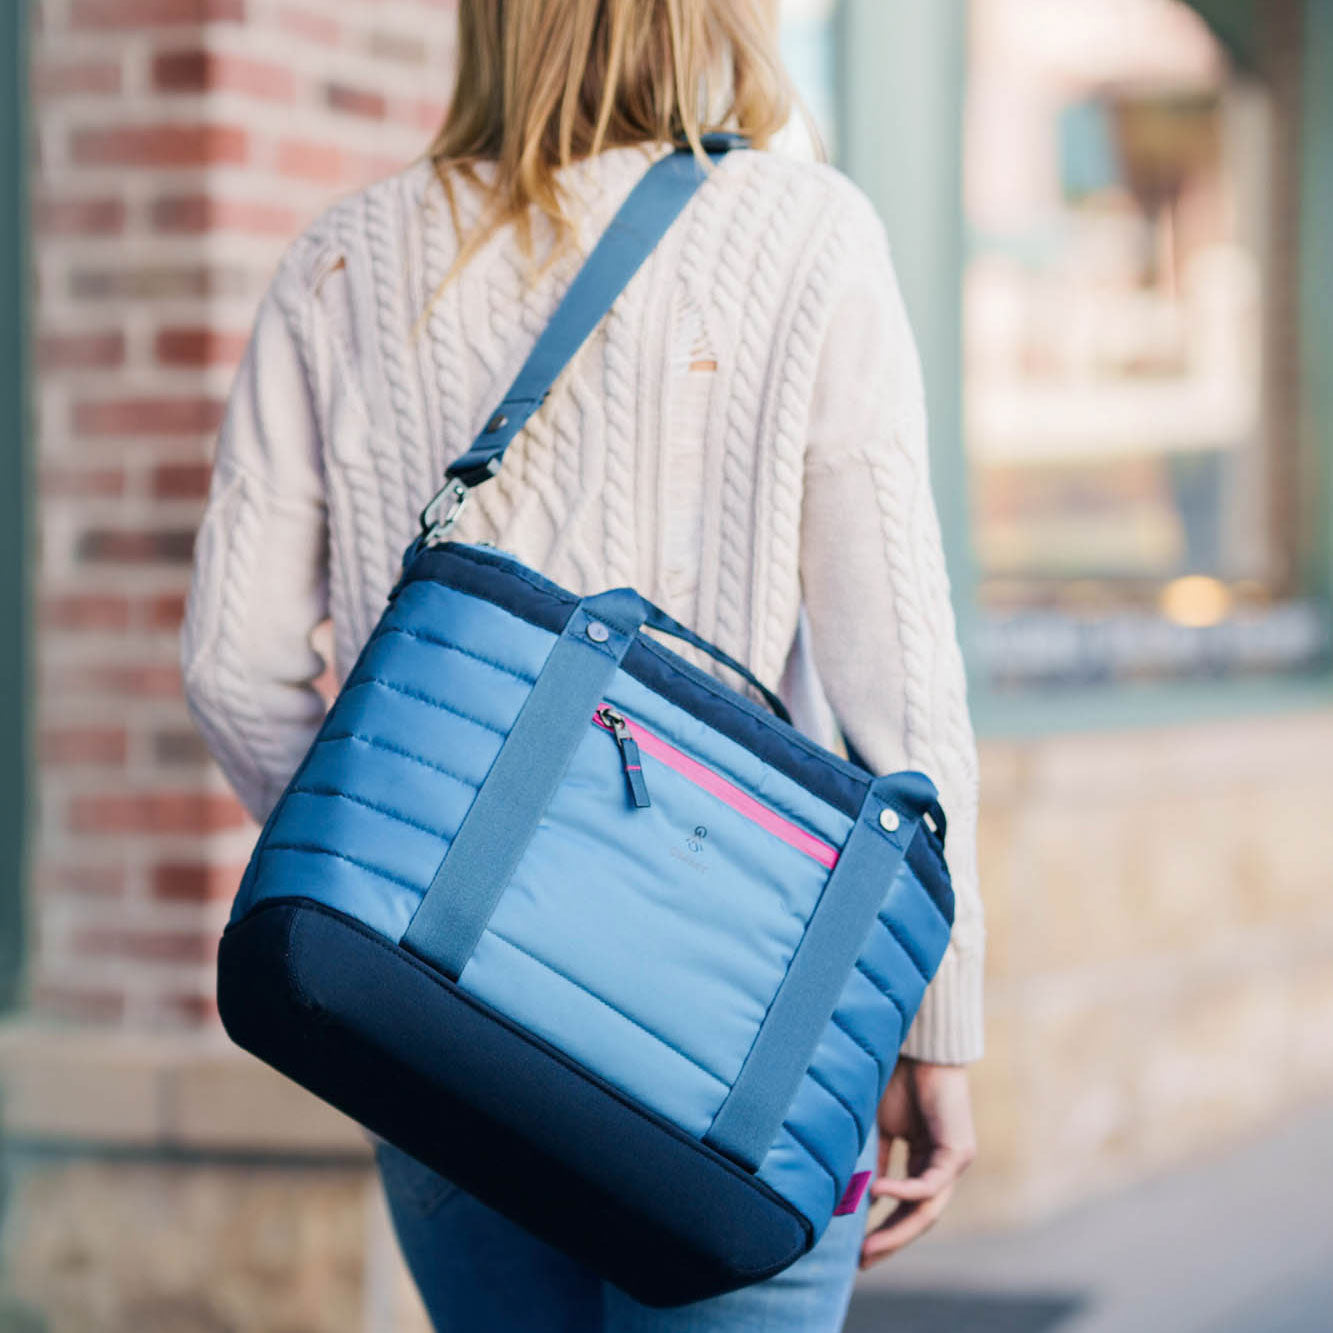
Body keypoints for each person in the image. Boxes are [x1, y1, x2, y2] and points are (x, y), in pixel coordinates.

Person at [181, 1, 984, 1328]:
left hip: (442, 1019)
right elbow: (901, 687)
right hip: (737, 1042)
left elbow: (232, 660)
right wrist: (931, 1022)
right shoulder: (808, 232)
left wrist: (401, 875)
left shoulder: (340, 258)